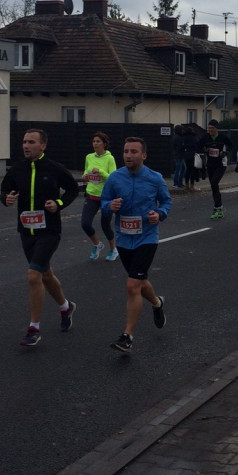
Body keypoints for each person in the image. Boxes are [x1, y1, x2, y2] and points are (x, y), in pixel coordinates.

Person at [0, 128, 79, 347]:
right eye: (24, 142)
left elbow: (73, 189)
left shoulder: (54, 169)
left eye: (31, 142)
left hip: (49, 231)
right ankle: (65, 307)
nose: (26, 146)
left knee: (33, 275)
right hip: (26, 231)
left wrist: (59, 204)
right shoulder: (17, 169)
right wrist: (5, 198)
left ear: (42, 146)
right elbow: (5, 188)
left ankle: (34, 328)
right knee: (44, 275)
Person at [100, 136, 171, 355]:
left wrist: (158, 214)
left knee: (132, 285)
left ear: (143, 155)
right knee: (139, 281)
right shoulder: (115, 178)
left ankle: (127, 336)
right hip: (123, 238)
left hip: (146, 238)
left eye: (133, 152)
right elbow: (103, 204)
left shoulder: (154, 178)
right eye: (126, 151)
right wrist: (110, 206)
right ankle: (157, 303)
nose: (128, 155)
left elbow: (166, 202)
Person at [80, 131, 118, 261]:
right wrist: (85, 176)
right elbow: (86, 171)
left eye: (98, 141)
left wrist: (101, 171)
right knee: (85, 223)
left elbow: (113, 178)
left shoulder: (110, 158)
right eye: (94, 141)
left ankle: (113, 249)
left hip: (106, 197)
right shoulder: (89, 157)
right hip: (91, 194)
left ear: (104, 144)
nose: (95, 144)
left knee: (105, 224)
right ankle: (97, 244)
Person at [197, 118, 234, 218]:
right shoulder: (206, 137)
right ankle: (218, 207)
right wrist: (205, 150)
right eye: (209, 128)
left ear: (216, 129)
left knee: (214, 183)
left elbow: (231, 145)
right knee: (214, 186)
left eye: (212, 128)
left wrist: (225, 152)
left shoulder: (222, 137)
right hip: (210, 164)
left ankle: (218, 207)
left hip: (221, 164)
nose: (210, 130)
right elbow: (199, 147)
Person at [171, 124, 186, 189]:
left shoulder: (175, 137)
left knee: (181, 168)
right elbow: (180, 146)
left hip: (178, 154)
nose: (183, 131)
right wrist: (184, 146)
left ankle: (178, 183)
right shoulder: (179, 137)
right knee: (179, 169)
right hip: (179, 155)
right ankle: (176, 183)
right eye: (182, 129)